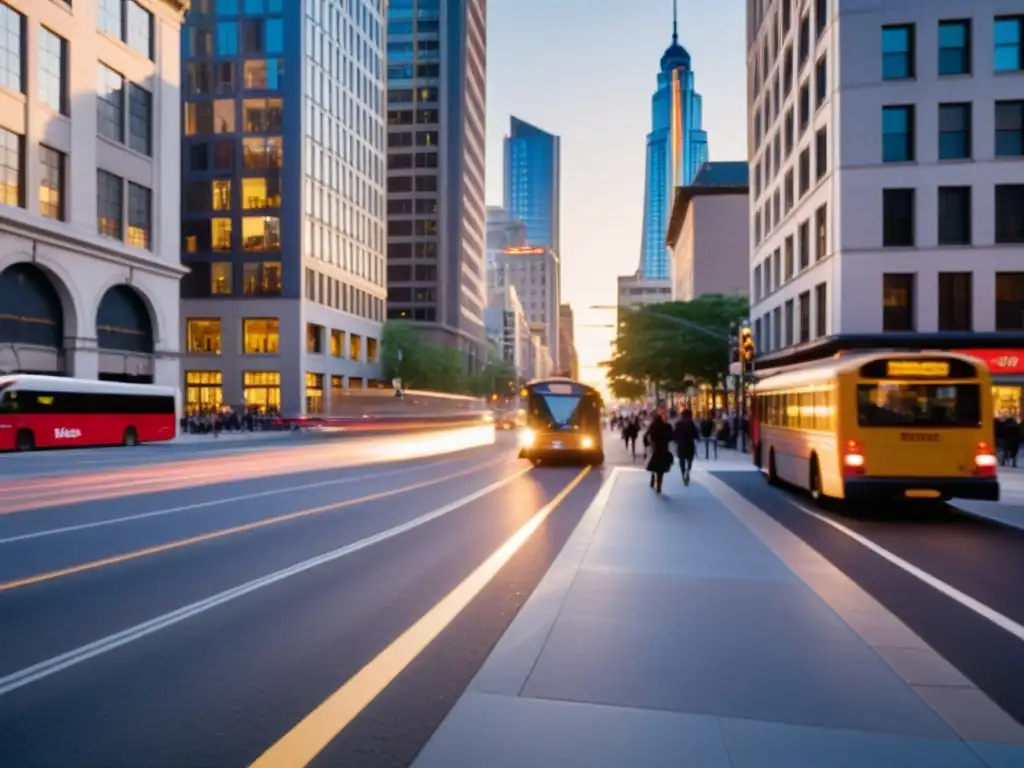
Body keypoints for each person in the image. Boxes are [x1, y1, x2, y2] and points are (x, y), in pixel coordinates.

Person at [645, 407, 674, 494]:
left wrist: (649, 443)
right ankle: (659, 484)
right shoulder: (667, 426)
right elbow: (671, 437)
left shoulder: (653, 425)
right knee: (661, 468)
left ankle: (653, 476)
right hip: (664, 448)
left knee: (654, 464)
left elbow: (648, 436)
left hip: (654, 448)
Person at [673, 408, 699, 486]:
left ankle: (683, 472)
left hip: (681, 443)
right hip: (689, 443)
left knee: (682, 459)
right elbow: (695, 433)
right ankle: (688, 470)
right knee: (690, 459)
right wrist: (697, 438)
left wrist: (675, 440)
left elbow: (675, 433)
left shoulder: (679, 423)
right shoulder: (691, 423)